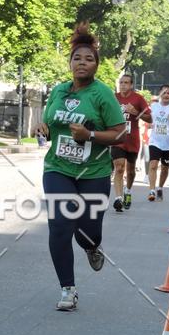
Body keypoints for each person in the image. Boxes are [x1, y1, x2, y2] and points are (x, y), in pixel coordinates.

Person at [33, 24, 126, 311]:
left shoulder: (102, 94)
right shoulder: (59, 91)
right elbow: (50, 126)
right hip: (58, 168)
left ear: (96, 64)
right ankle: (67, 289)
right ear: (70, 62)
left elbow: (120, 132)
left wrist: (91, 136)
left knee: (88, 232)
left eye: (88, 59)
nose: (82, 63)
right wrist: (42, 129)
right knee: (60, 226)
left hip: (94, 173)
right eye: (77, 58)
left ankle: (91, 246)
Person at [111, 74, 151, 212]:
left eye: (126, 82)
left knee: (131, 171)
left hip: (132, 139)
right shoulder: (113, 98)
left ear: (131, 85)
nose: (123, 85)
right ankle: (118, 198)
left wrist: (136, 112)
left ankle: (128, 191)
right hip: (117, 139)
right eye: (121, 82)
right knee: (119, 167)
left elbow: (150, 118)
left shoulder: (138, 98)